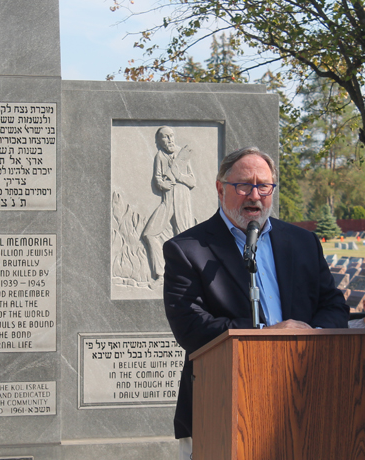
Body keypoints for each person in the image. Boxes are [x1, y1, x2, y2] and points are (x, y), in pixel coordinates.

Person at [163, 146, 349, 459]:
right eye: (243, 185)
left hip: (305, 400)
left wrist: (308, 332)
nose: (254, 195)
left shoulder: (302, 243)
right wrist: (268, 332)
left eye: (263, 185)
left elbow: (334, 307)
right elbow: (191, 328)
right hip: (223, 405)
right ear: (221, 188)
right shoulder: (187, 250)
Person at [142, 126, 196, 287]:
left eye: (171, 136)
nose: (170, 140)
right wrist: (163, 184)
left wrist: (178, 175)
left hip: (182, 199)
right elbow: (157, 179)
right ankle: (160, 275)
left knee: (185, 237)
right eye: (165, 137)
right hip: (167, 200)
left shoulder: (182, 155)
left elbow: (193, 181)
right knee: (150, 234)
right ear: (159, 141)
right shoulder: (160, 156)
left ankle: (188, 278)